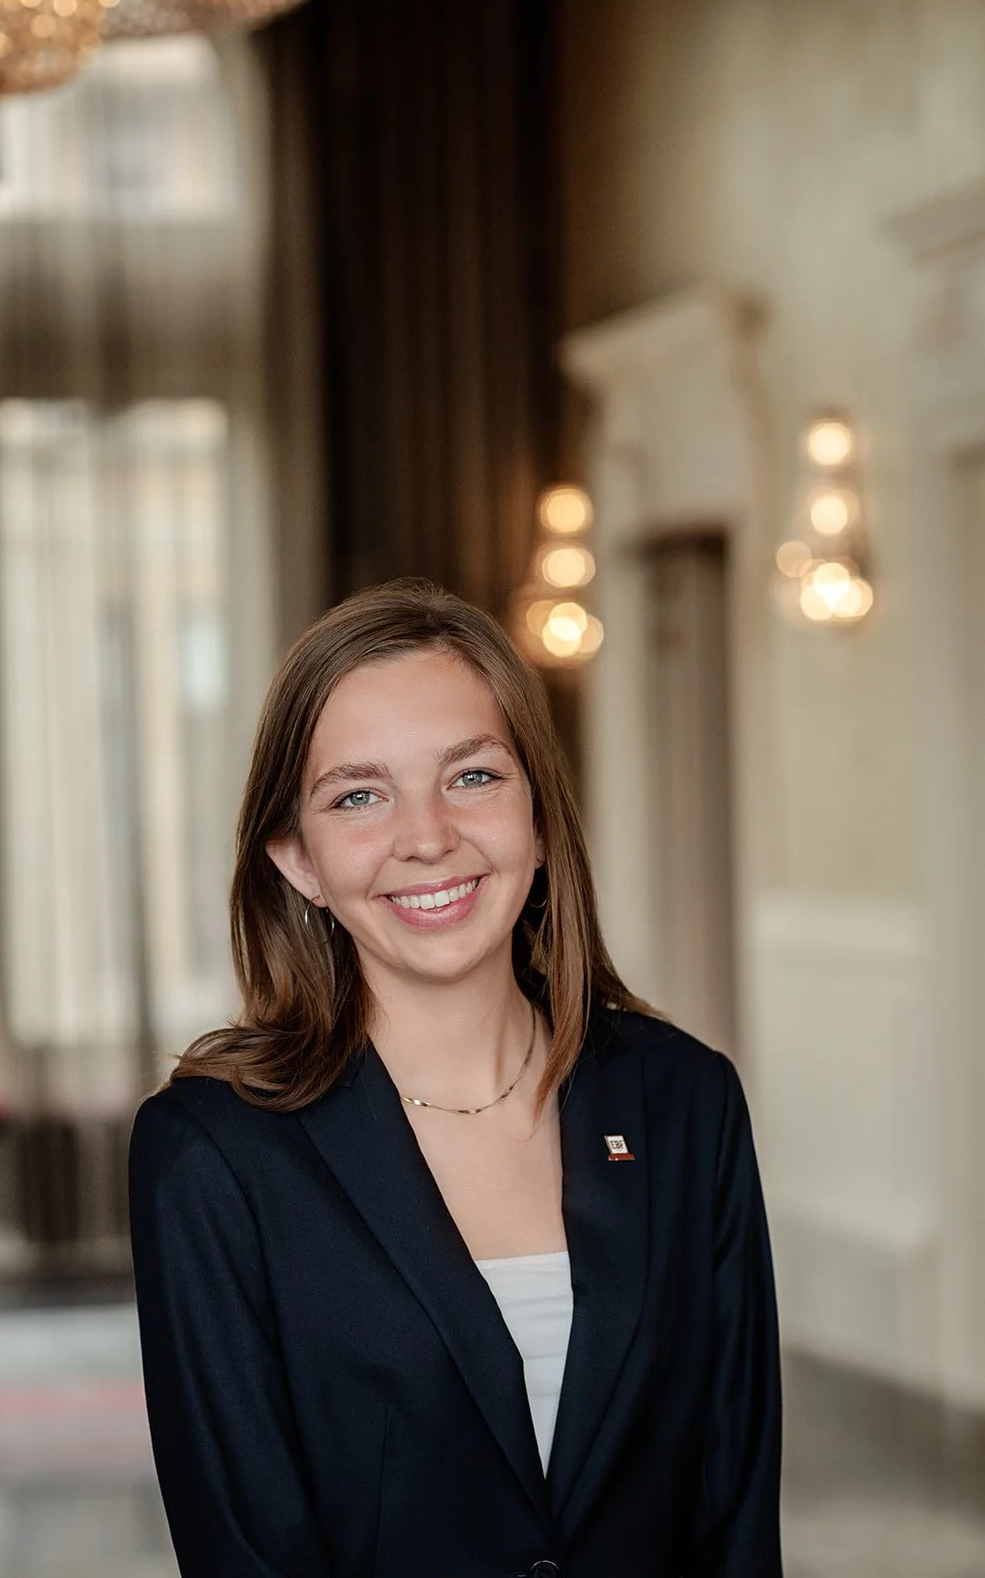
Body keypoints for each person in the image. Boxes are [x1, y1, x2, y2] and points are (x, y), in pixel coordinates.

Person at [129, 577, 783, 1578]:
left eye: (471, 776)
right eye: (358, 794)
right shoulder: (213, 1153)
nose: (426, 835)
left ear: (534, 808)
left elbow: (733, 1517)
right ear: (297, 858)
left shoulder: (685, 1103)